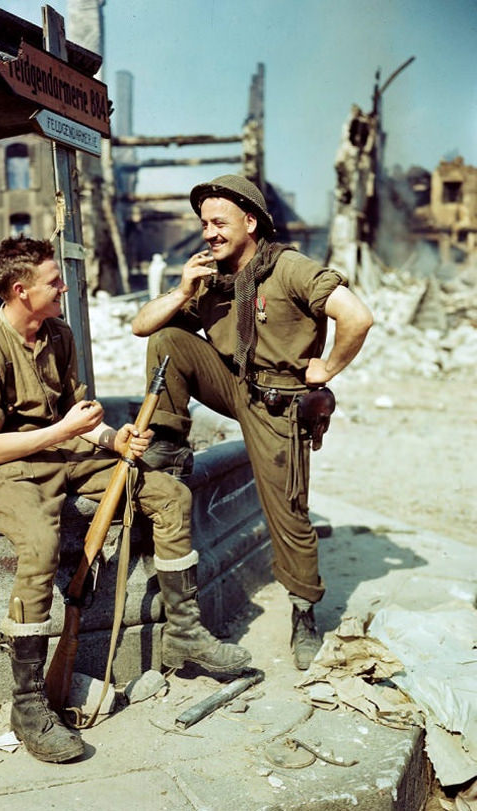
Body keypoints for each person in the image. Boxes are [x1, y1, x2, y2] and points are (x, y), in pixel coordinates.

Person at [0, 236, 251, 764]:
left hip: (67, 455)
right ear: (21, 290)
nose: (63, 286)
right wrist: (64, 430)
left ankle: (184, 634)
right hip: (12, 471)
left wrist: (112, 439)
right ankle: (28, 704)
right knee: (42, 546)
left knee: (169, 494)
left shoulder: (58, 333)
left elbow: (79, 415)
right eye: (53, 281)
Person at [132, 175, 373, 671]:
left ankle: (305, 615)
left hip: (279, 402)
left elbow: (357, 317)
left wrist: (325, 368)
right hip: (233, 383)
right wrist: (181, 292)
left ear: (251, 221)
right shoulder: (211, 276)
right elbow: (141, 326)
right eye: (204, 223)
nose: (209, 233)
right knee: (168, 341)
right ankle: (169, 455)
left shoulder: (290, 268)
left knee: (288, 512)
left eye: (219, 223)